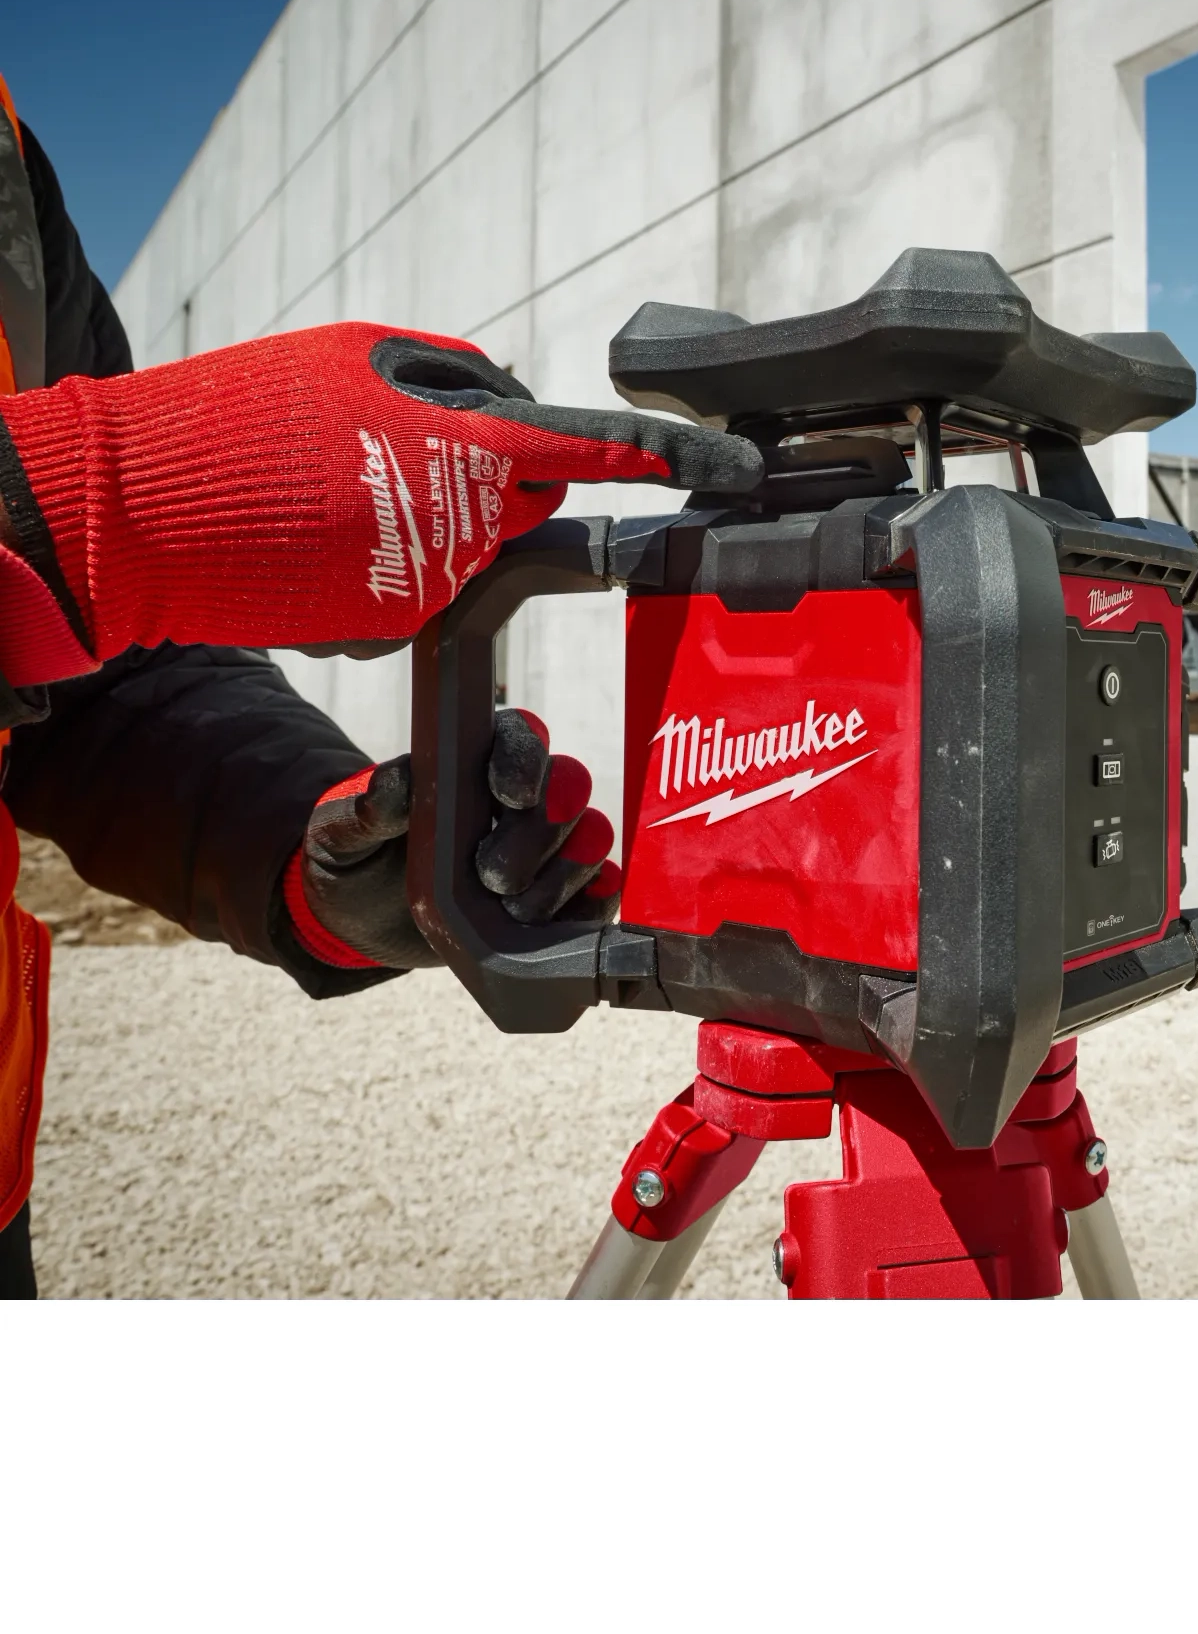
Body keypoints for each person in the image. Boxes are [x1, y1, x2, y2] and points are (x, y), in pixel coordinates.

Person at [0, 72, 761, 1298]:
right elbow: (85, 536)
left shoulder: (6, 161)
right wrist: (90, 501)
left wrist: (304, 861)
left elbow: (87, 683)